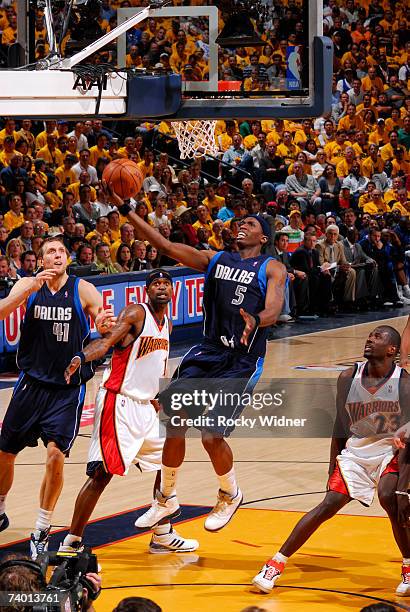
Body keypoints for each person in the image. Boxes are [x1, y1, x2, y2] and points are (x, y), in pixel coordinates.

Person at [112, 187, 286, 534]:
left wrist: (257, 320)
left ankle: (230, 492)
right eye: (239, 222)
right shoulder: (215, 260)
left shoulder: (272, 266)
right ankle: (167, 498)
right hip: (208, 351)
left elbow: (274, 308)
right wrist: (127, 209)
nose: (241, 226)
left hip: (241, 360)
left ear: (262, 236)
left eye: (249, 224)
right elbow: (165, 246)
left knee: (210, 436)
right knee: (173, 422)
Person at [253, 326, 410, 596]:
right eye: (369, 335)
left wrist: (403, 487)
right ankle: (274, 564)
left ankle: (408, 568)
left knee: (390, 499)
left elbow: (408, 438)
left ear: (392, 350)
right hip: (357, 451)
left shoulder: (404, 383)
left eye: (378, 337)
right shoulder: (348, 377)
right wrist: (332, 467)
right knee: (329, 503)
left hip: (390, 452)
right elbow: (339, 423)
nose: (370, 339)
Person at [60, 269, 198, 555]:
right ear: (147, 290)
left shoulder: (167, 325)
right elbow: (107, 342)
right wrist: (81, 356)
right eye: (155, 284)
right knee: (102, 474)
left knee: (167, 462)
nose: (161, 287)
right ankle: (71, 543)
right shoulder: (136, 314)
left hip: (145, 405)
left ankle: (161, 533)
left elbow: (156, 369)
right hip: (118, 402)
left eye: (166, 283)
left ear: (173, 291)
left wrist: (160, 401)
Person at [0, 237, 113, 558]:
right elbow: (2, 310)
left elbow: (102, 319)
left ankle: (41, 527)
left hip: (67, 389)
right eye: (51, 251)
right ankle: (1, 505)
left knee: (55, 455)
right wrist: (27, 289)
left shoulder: (82, 289)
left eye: (62, 251)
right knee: (5, 453)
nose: (57, 255)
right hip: (30, 384)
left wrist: (104, 323)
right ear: (42, 259)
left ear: (67, 258)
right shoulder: (28, 286)